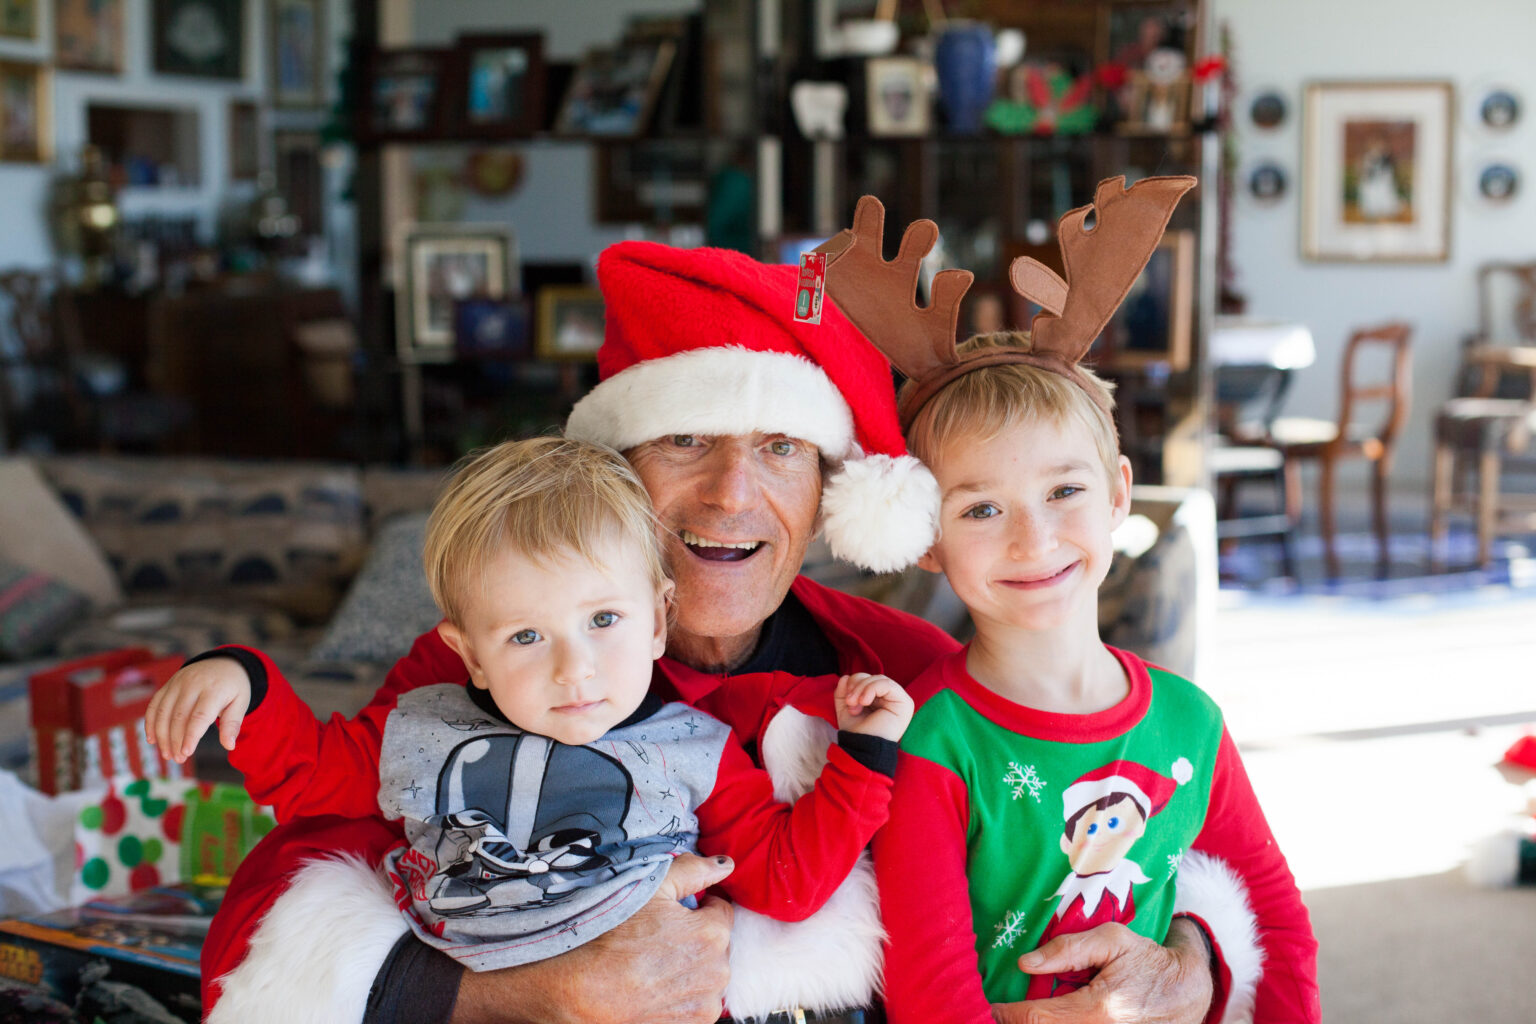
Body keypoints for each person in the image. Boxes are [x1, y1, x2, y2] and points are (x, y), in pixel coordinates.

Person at [193, 203, 1250, 1024]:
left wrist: (1196, 962)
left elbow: (1169, 847)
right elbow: (262, 924)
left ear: (831, 490)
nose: (732, 494)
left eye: (781, 448)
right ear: (616, 468)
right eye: (686, 440)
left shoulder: (901, 668)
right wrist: (531, 991)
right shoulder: (498, 665)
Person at [147, 436, 913, 975]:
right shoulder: (424, 726)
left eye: (603, 620)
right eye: (525, 636)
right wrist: (245, 680)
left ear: (658, 619)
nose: (573, 670)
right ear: (469, 653)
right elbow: (310, 776)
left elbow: (785, 881)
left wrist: (864, 756)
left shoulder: (696, 750)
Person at [858, 177, 1319, 1023]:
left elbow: (1276, 926)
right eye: (981, 509)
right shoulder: (931, 743)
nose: (1032, 540)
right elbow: (931, 1001)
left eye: (1064, 492)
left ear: (1117, 496)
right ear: (926, 536)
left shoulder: (1190, 722)